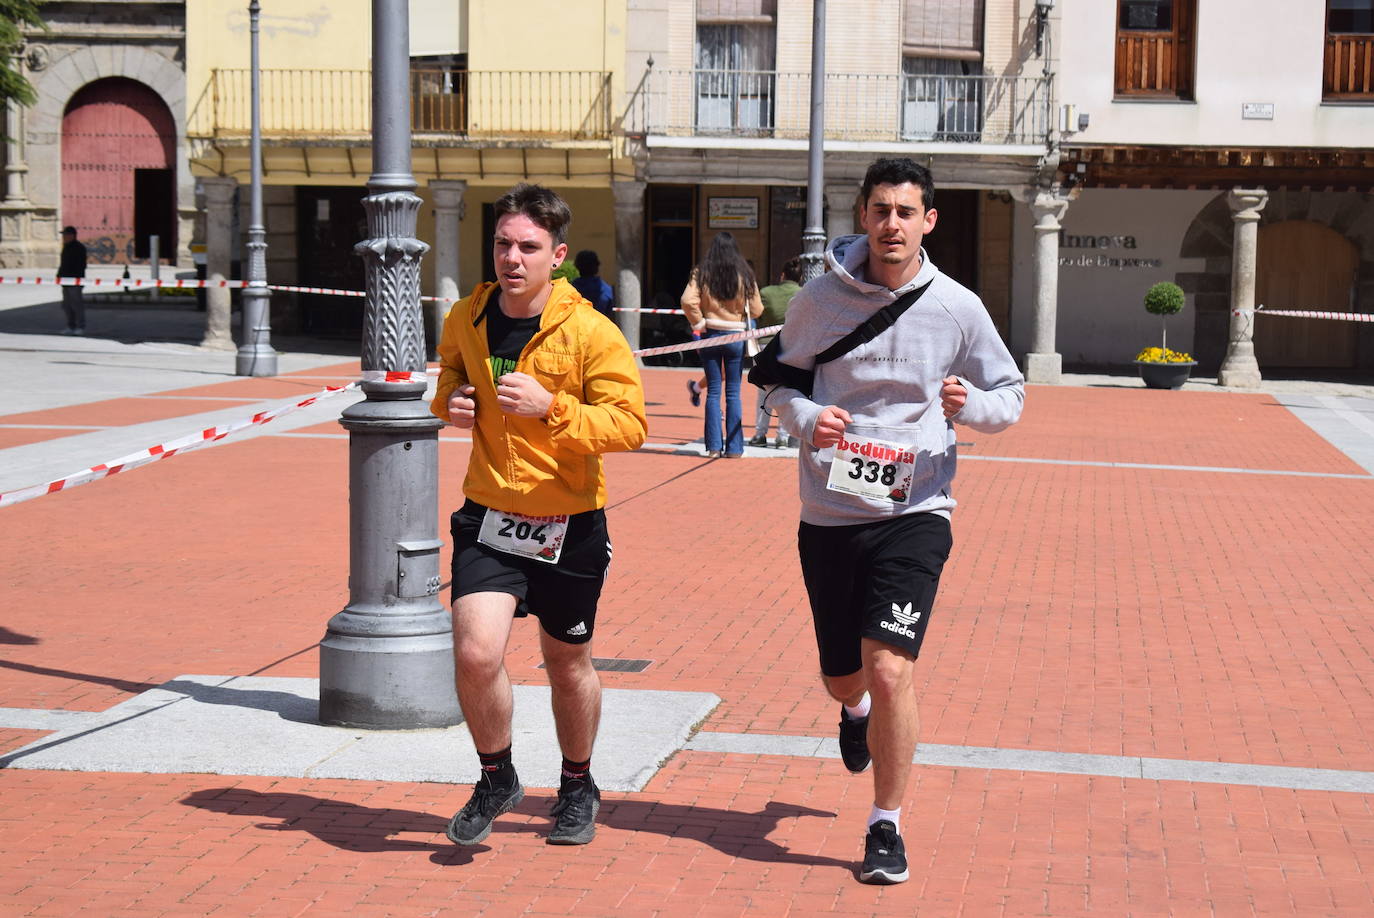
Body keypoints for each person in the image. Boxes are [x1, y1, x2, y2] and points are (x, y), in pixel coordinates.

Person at [753, 158, 1024, 884]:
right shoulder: (819, 300)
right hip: (830, 513)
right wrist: (807, 418)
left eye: (906, 212)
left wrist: (974, 406)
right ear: (864, 217)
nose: (892, 224)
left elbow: (1010, 393)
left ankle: (885, 824)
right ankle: (854, 712)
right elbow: (775, 381)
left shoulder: (958, 307)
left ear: (928, 221)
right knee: (846, 680)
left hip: (917, 510)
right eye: (881, 210)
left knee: (890, 667)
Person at [430, 183, 647, 848]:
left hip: (568, 522)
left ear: (556, 255)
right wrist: (450, 403)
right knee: (475, 652)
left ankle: (578, 784)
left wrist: (552, 407)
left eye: (528, 247)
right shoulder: (466, 316)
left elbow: (630, 424)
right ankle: (497, 776)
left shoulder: (590, 332)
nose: (512, 258)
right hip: (491, 512)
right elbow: (449, 377)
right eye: (503, 244)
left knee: (566, 661)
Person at [680, 232, 764, 458]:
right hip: (735, 335)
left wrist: (699, 322)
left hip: (711, 334)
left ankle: (714, 447)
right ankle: (735, 449)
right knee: (734, 393)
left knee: (713, 392)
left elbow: (687, 300)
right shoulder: (745, 273)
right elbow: (757, 309)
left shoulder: (702, 272)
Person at [748, 256, 802, 448]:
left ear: (782, 275)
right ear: (800, 277)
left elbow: (756, 314)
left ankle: (760, 434)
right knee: (787, 390)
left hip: (765, 346)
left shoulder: (766, 292)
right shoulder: (802, 293)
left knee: (763, 391)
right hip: (790, 347)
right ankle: (782, 436)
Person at [57, 226, 88, 335]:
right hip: (65, 281)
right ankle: (70, 325)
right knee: (67, 305)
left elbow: (81, 265)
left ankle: (80, 326)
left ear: (72, 235)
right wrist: (59, 275)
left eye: (65, 235)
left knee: (77, 305)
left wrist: (77, 279)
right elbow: (63, 264)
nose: (64, 237)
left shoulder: (79, 248)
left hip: (75, 281)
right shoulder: (66, 247)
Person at [570, 249, 615, 321]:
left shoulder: (570, 289)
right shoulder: (606, 290)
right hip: (600, 325)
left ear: (577, 266)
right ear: (596, 267)